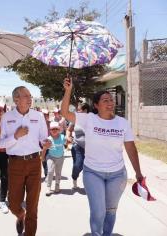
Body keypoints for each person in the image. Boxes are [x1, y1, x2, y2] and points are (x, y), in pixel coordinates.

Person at [61, 77, 144, 236]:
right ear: (96, 105)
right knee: (98, 211)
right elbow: (64, 112)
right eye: (105, 100)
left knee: (111, 211)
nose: (110, 103)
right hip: (93, 172)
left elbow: (131, 149)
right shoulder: (88, 119)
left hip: (117, 174)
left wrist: (138, 173)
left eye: (111, 100)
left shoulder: (122, 123)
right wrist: (68, 91)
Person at [0, 86, 51, 236]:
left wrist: (46, 143)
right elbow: (1, 143)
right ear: (16, 99)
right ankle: (21, 215)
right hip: (15, 164)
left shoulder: (38, 116)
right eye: (26, 96)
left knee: (33, 206)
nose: (30, 98)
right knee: (14, 204)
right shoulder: (7, 117)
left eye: (30, 96)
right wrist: (16, 136)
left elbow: (43, 139)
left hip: (35, 162)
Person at [65, 103, 90, 189]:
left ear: (85, 110)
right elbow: (69, 130)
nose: (77, 111)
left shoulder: (92, 120)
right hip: (77, 146)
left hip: (90, 148)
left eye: (79, 110)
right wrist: (68, 136)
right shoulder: (75, 119)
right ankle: (74, 177)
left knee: (88, 168)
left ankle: (88, 184)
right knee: (77, 165)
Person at [43, 122, 66, 196]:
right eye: (53, 129)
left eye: (56, 129)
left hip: (60, 157)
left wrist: (69, 141)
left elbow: (66, 143)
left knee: (58, 172)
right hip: (51, 157)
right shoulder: (48, 139)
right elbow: (44, 149)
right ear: (50, 130)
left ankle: (57, 185)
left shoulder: (62, 137)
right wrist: (42, 157)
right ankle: (48, 187)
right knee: (50, 171)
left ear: (59, 130)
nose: (54, 130)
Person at [41, 108, 50, 180]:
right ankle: (46, 171)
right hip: (40, 145)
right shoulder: (38, 123)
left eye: (46, 114)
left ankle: (47, 173)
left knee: (47, 158)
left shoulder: (51, 124)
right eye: (44, 114)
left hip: (49, 144)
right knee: (43, 159)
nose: (45, 116)